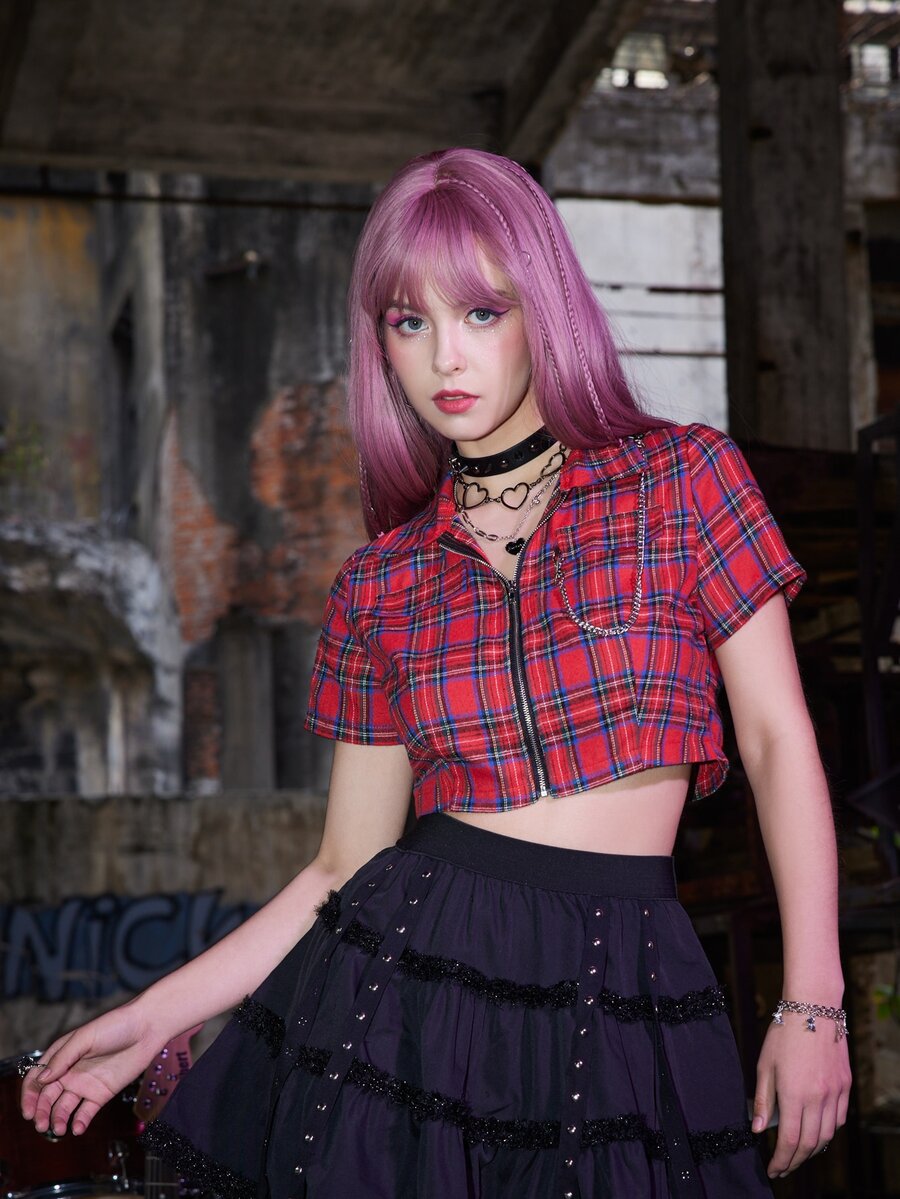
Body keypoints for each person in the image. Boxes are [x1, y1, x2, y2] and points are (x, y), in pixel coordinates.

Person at [21, 148, 850, 1198]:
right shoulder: (382, 579)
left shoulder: (681, 479)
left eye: (481, 313)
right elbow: (341, 865)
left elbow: (777, 741)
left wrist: (814, 998)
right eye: (409, 322)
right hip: (413, 1002)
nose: (444, 357)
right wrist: (153, 1016)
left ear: (544, 308)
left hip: (634, 979)